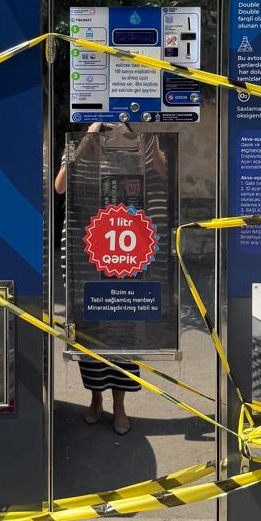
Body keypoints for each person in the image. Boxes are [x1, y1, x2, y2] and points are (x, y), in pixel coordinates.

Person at [55, 121, 168, 436]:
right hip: (86, 252)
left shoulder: (139, 142)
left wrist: (147, 134)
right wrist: (90, 137)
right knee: (89, 329)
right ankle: (95, 399)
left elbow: (162, 174)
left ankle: (120, 405)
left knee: (124, 328)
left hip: (127, 250)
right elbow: (60, 186)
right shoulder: (78, 145)